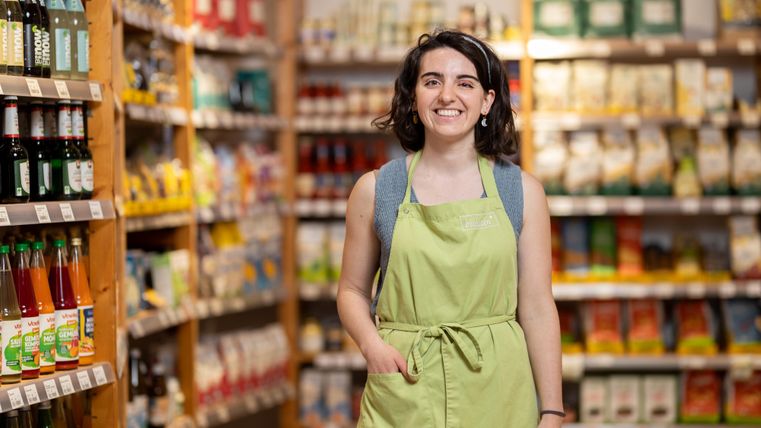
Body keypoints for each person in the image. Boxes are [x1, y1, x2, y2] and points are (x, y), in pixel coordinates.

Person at [337, 30, 562, 427]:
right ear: (413, 97)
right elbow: (352, 291)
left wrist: (552, 409)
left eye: (465, 83)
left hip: (499, 390)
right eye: (432, 81)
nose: (447, 96)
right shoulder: (377, 191)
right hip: (406, 384)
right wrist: (372, 346)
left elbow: (538, 307)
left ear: (486, 100)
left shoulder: (521, 191)